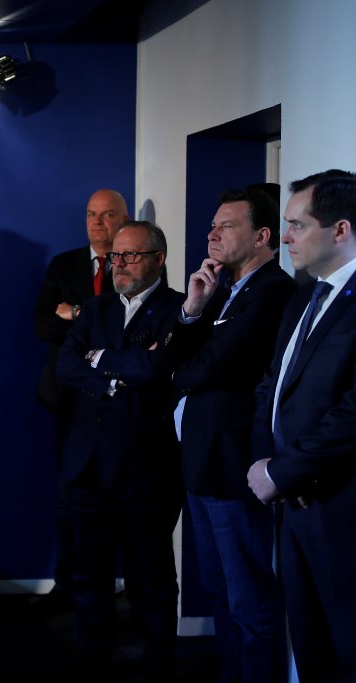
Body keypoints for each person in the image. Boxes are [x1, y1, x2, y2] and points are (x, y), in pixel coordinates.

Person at [170, 187, 293, 683]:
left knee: (248, 601)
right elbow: (184, 358)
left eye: (226, 225)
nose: (212, 233)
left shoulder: (273, 291)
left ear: (262, 237)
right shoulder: (226, 293)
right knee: (221, 593)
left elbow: (210, 366)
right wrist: (193, 309)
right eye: (213, 225)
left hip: (233, 469)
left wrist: (177, 368)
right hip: (204, 465)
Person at [56, 220, 184, 681]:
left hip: (146, 467)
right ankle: (94, 660)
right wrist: (116, 374)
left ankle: (157, 663)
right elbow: (66, 365)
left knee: (150, 576)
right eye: (115, 257)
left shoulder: (179, 310)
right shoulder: (93, 310)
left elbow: (155, 369)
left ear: (158, 259)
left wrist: (100, 358)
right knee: (89, 574)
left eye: (130, 256)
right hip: (87, 465)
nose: (120, 265)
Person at [247, 170, 356, 683]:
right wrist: (264, 463)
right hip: (294, 511)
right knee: (312, 651)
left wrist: (285, 471)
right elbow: (272, 388)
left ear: (341, 230)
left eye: (295, 225)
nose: (284, 237)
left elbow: (353, 413)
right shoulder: (303, 296)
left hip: (341, 514)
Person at [33, 188, 128, 609]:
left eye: (107, 215)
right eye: (91, 214)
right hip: (68, 400)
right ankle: (66, 584)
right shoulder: (64, 264)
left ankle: (107, 583)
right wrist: (94, 322)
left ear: (123, 220)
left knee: (115, 494)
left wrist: (75, 313)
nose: (97, 223)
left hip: (119, 400)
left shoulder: (131, 265)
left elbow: (125, 331)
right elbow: (43, 326)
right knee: (67, 497)